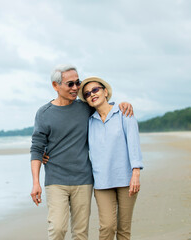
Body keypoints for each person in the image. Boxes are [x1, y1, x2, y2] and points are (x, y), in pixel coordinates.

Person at [30, 64, 133, 240]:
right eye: (70, 84)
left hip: (83, 180)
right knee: (57, 229)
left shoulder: (85, 108)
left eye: (77, 83)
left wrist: (124, 104)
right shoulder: (44, 113)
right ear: (56, 86)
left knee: (80, 233)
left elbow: (104, 106)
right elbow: (37, 147)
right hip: (56, 181)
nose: (76, 88)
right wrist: (35, 182)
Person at [77, 76, 143, 240]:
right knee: (107, 227)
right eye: (87, 94)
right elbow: (73, 142)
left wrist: (136, 173)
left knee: (123, 229)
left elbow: (133, 144)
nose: (91, 94)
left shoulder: (125, 113)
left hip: (126, 179)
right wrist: (47, 152)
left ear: (105, 92)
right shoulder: (89, 122)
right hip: (102, 181)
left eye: (95, 90)